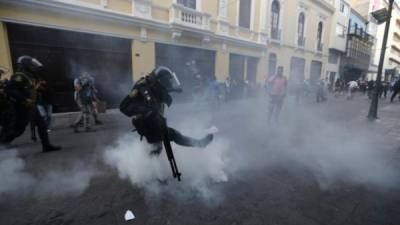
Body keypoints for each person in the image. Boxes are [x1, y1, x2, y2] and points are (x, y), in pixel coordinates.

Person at [120, 66, 214, 155]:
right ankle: (200, 144)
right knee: (173, 136)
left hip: (153, 122)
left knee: (159, 147)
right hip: (145, 123)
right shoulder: (141, 87)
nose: (169, 85)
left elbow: (163, 93)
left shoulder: (156, 87)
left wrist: (174, 89)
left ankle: (147, 167)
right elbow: (123, 107)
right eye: (168, 82)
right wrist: (145, 109)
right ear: (161, 82)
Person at [0, 56, 61, 152]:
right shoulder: (19, 76)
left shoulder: (30, 76)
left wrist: (39, 89)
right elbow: (9, 89)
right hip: (20, 107)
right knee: (17, 130)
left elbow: (28, 89)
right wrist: (24, 99)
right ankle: (2, 144)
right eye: (31, 64)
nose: (34, 66)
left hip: (31, 106)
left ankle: (46, 146)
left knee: (42, 124)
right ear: (26, 65)